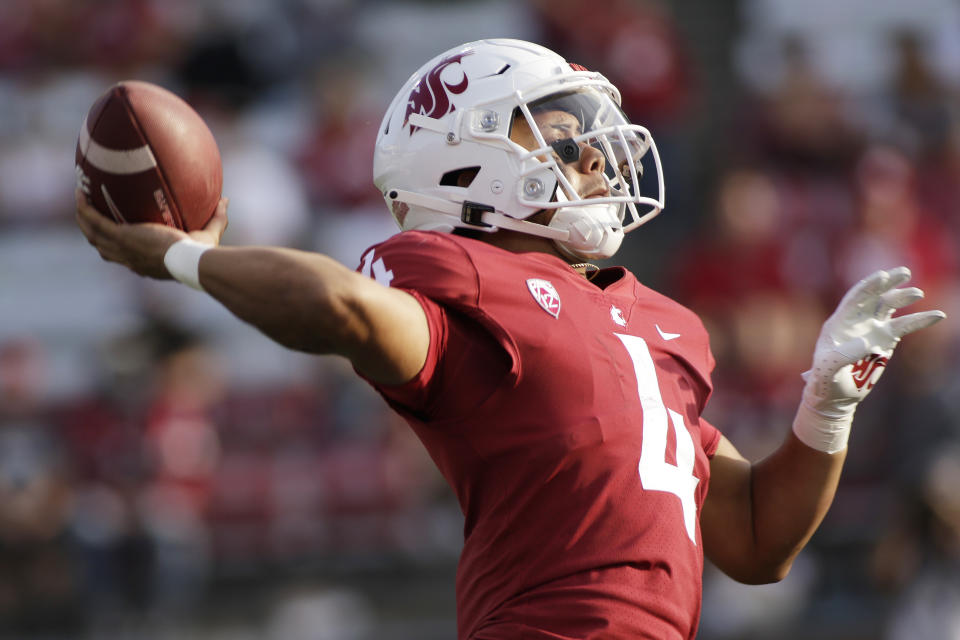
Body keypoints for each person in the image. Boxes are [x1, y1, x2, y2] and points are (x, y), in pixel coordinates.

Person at [76, 39, 945, 640]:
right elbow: (342, 309)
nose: (600, 157)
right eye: (562, 132)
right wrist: (186, 258)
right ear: (464, 160)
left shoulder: (658, 322)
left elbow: (757, 539)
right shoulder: (465, 286)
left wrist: (829, 403)